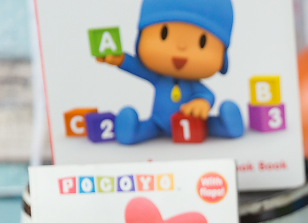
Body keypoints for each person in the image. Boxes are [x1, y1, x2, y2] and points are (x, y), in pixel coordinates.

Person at [96, 0, 244, 144]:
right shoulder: (159, 78)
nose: (181, 47)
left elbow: (207, 94)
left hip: (194, 123)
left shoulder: (192, 85)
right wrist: (121, 59)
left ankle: (226, 124)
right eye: (164, 34)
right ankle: (132, 130)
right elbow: (137, 68)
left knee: (206, 125)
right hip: (158, 123)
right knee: (149, 127)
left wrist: (201, 102)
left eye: (202, 42)